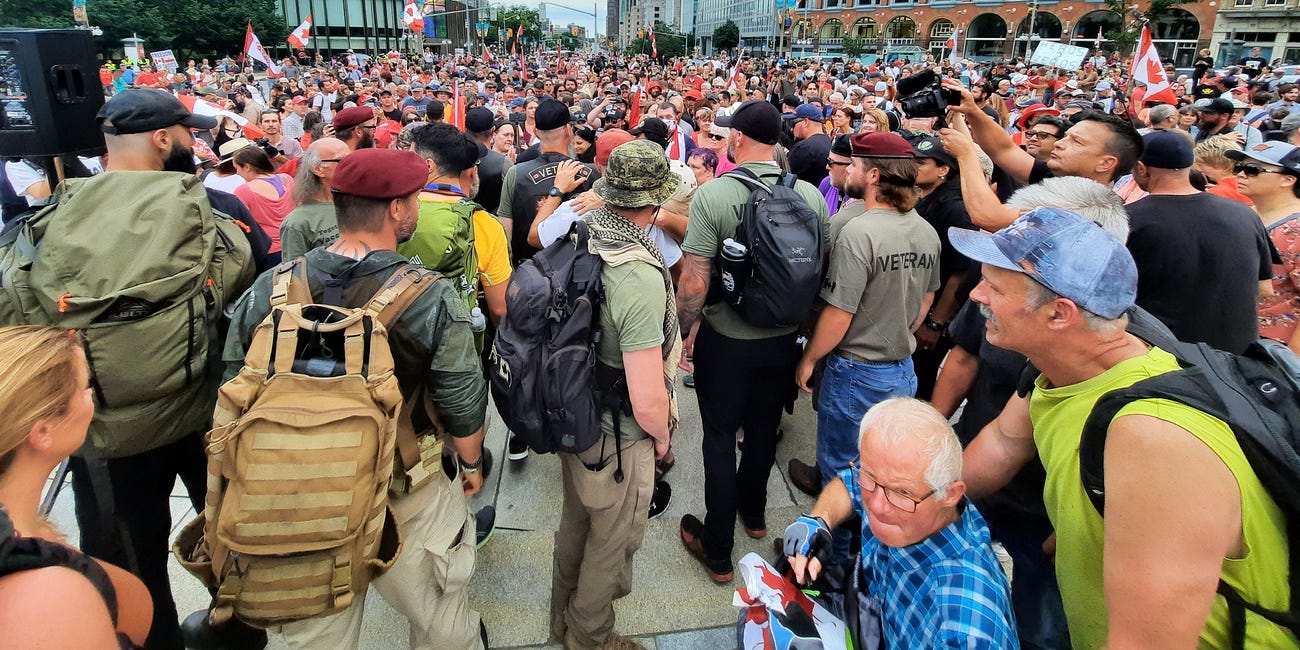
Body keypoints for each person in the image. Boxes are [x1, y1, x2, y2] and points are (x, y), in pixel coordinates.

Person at [956, 207, 1293, 649]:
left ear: (1060, 314)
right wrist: (914, 500)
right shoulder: (1059, 369)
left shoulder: (1155, 434)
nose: (977, 296)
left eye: (993, 287)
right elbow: (1002, 443)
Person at [223, 148, 489, 650]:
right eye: (413, 200)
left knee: (314, 635)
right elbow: (461, 398)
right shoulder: (429, 294)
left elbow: (234, 379)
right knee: (439, 615)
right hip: (402, 482)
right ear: (395, 209)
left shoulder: (275, 284)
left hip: (296, 488)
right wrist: (470, 463)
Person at [676, 99, 829, 583]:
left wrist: (682, 332)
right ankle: (756, 514)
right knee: (763, 429)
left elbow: (696, 282)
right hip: (784, 337)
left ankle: (718, 547)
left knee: (719, 437)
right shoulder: (809, 194)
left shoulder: (716, 195)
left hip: (729, 336)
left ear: (737, 139)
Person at [549, 140, 682, 650]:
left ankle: (561, 618)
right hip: (619, 435)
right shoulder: (638, 272)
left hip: (576, 412)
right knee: (610, 544)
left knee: (575, 527)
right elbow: (647, 396)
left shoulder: (584, 231)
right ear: (652, 204)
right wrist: (663, 441)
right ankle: (591, 637)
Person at [787, 132, 940, 562]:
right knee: (881, 471)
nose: (845, 171)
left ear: (874, 174)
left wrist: (810, 357)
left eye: (852, 165)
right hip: (900, 365)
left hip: (856, 369)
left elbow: (839, 312)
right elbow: (925, 301)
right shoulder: (924, 229)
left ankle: (831, 564)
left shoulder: (858, 231)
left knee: (843, 472)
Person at [781, 398, 1018, 648]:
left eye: (902, 493)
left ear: (950, 494)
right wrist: (820, 519)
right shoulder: (903, 484)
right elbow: (851, 481)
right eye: (870, 478)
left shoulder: (965, 632)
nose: (877, 507)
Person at [0, 326, 153, 650]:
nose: (91, 398)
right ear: (43, 432)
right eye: (85, 388)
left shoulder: (28, 540)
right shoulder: (48, 602)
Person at [1124, 129, 1273, 354]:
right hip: (1235, 356)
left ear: (1141, 169)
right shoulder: (1245, 213)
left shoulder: (1127, 219)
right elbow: (1264, 288)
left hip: (1162, 357)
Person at [498, 97, 598, 266]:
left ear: (536, 132)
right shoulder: (592, 173)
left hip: (528, 277)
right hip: (579, 277)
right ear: (568, 130)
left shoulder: (516, 173)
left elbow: (505, 233)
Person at [1230, 141, 1300, 352]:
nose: (1241, 174)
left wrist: (1293, 363)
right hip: (1237, 336)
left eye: (1253, 169)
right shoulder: (1244, 213)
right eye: (1239, 167)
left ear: (1288, 180)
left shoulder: (1295, 228)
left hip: (1276, 349)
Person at [279, 137, 351, 260]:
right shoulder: (297, 222)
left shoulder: (358, 202)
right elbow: (295, 274)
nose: (351, 165)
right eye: (342, 160)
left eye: (351, 159)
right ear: (318, 169)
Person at [232, 145, 296, 260]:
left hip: (268, 251)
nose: (237, 172)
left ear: (247, 167)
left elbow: (240, 224)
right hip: (295, 244)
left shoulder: (243, 191)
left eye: (237, 168)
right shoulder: (287, 179)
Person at [464, 107, 511, 215]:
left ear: (465, 128)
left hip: (458, 223)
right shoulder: (504, 162)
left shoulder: (451, 157)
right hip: (493, 225)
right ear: (493, 130)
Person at [785, 103, 832, 187]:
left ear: (806, 122)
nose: (792, 129)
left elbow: (786, 178)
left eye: (793, 123)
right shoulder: (831, 143)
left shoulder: (803, 148)